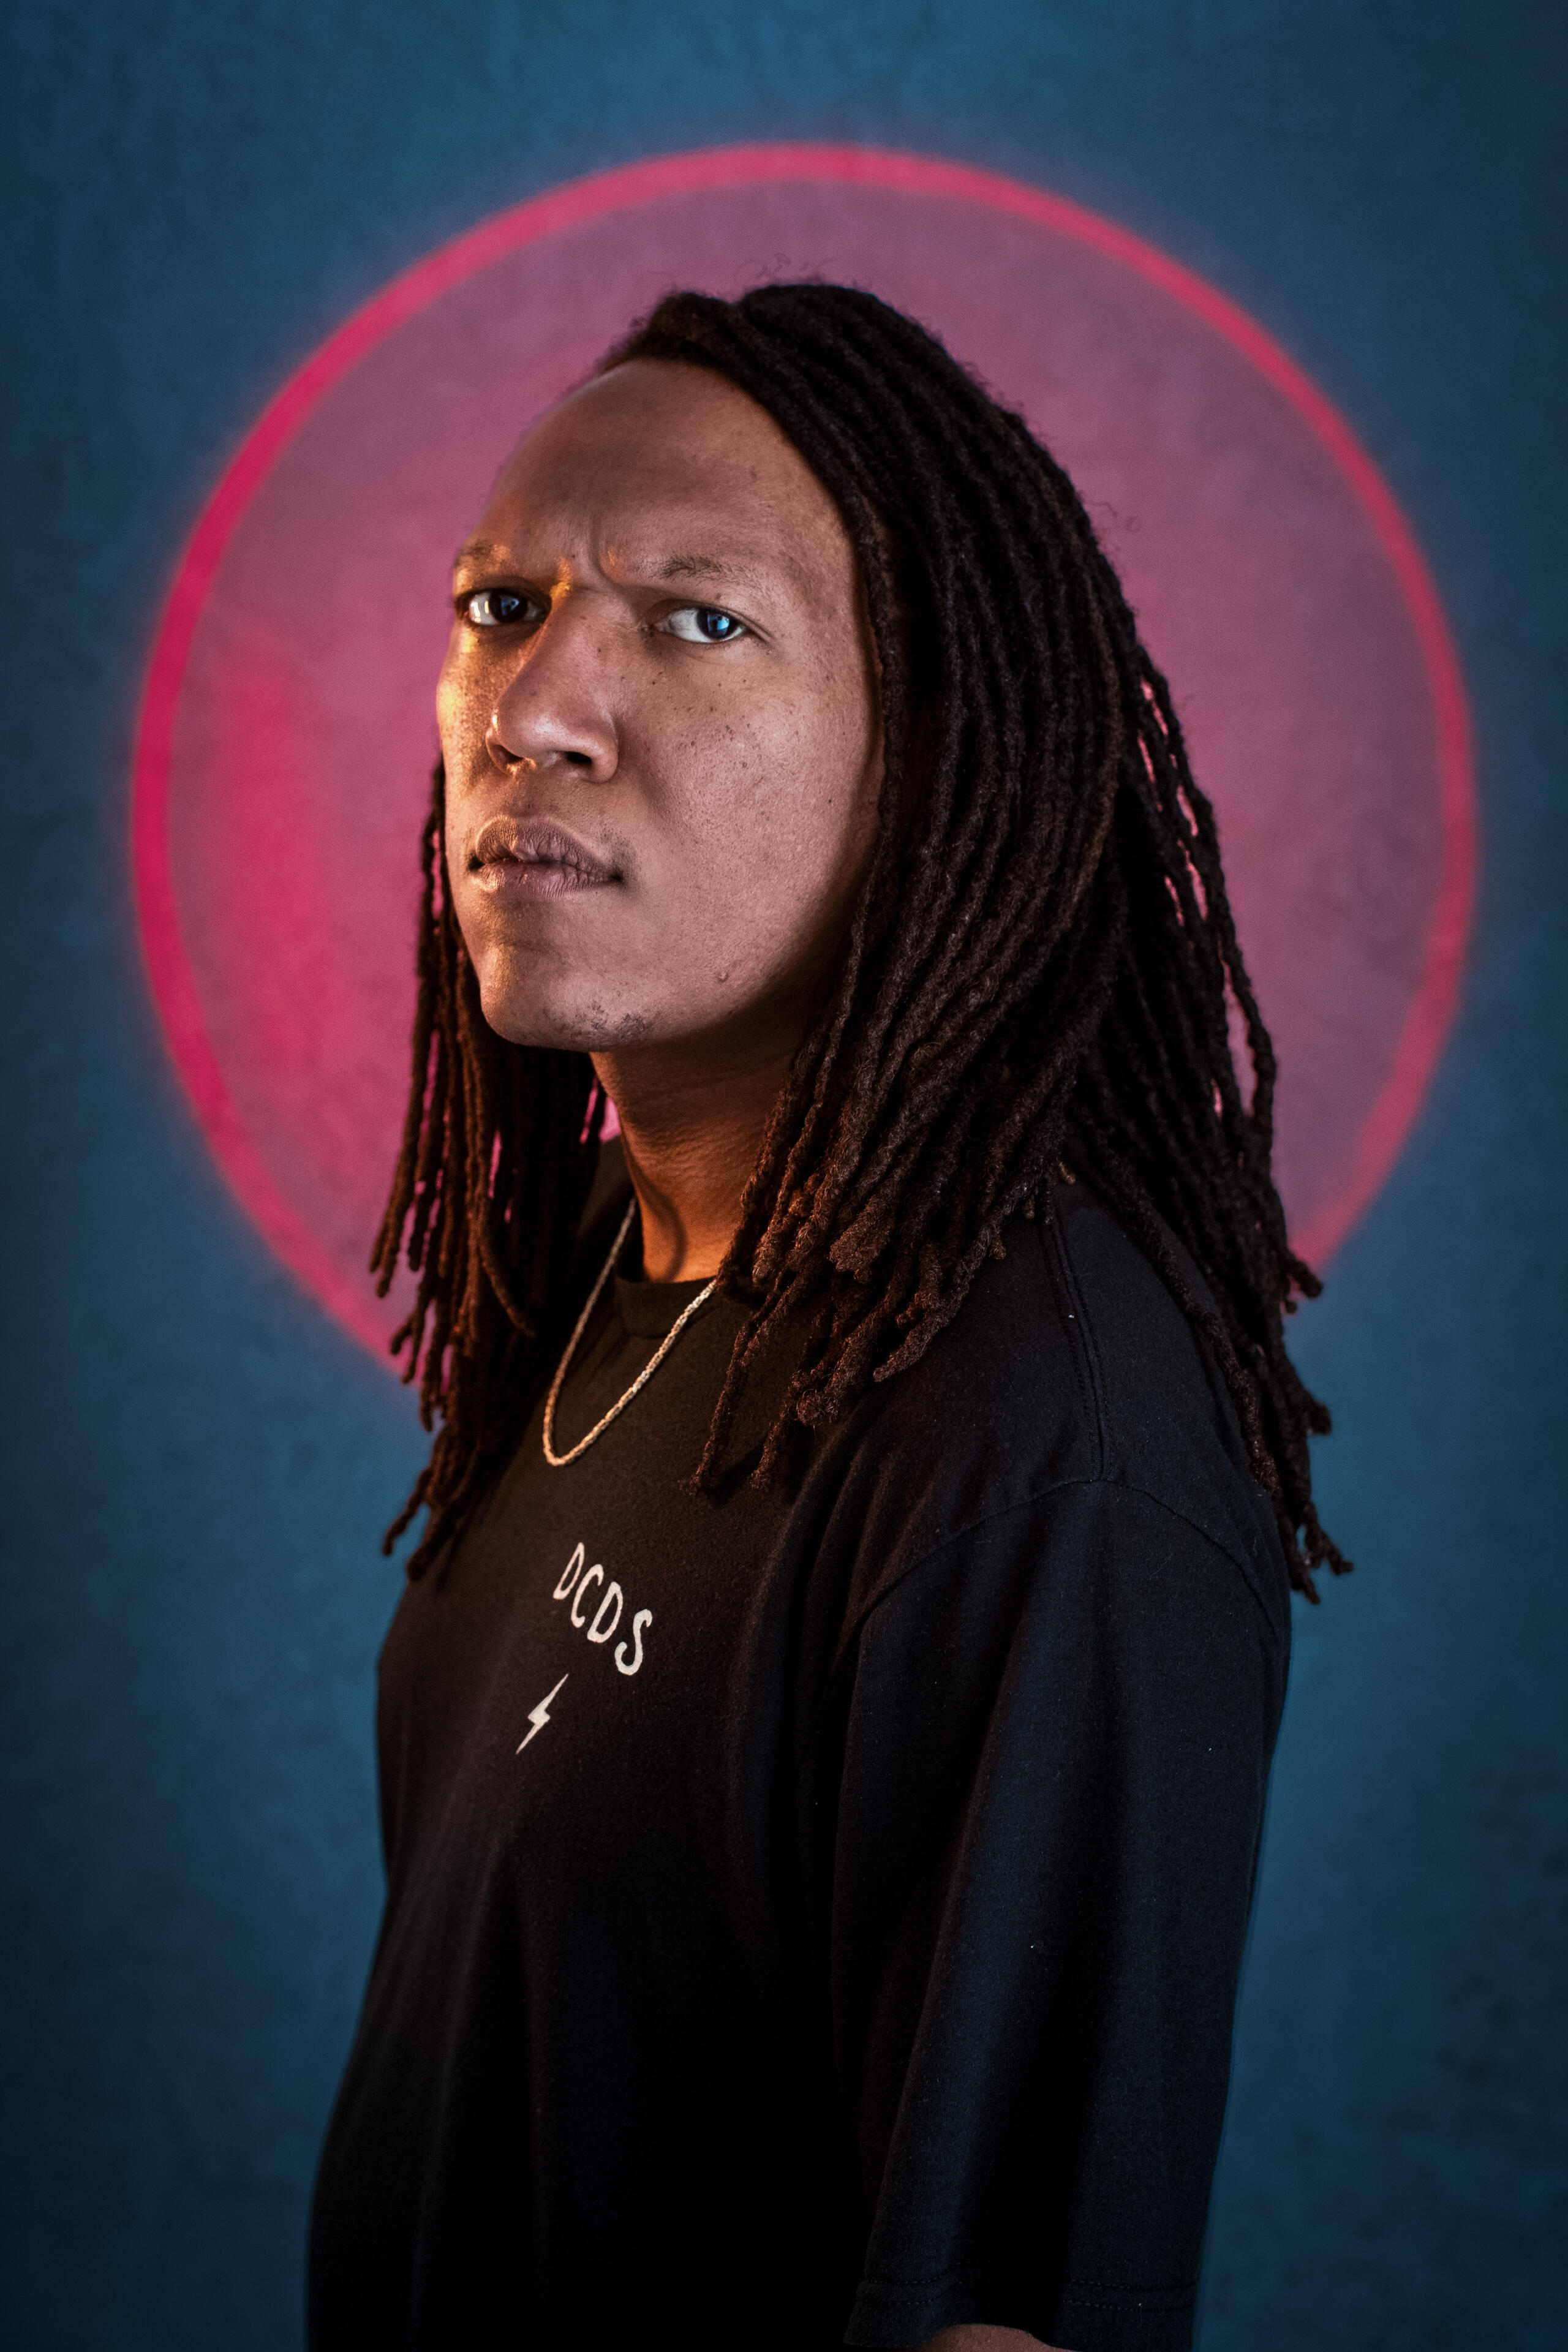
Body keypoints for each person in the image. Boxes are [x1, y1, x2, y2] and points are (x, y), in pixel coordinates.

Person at [307, 282, 1344, 2352]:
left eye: (697, 621)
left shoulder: (1035, 1450)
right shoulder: (604, 1255)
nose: (536, 706)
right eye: (501, 608)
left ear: (939, 752)